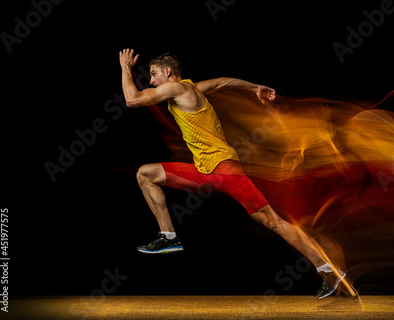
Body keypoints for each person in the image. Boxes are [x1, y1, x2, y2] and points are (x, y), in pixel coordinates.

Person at [119, 48, 348, 298]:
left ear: (167, 72)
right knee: (146, 174)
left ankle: (329, 270)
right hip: (204, 171)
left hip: (223, 169)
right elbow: (222, 82)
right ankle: (169, 237)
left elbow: (132, 100)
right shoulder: (191, 88)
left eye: (153, 74)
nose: (151, 81)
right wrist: (254, 87)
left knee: (272, 221)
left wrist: (125, 67)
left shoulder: (177, 89)